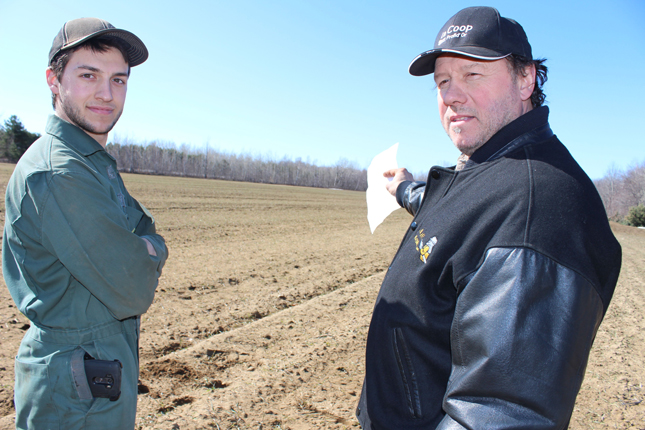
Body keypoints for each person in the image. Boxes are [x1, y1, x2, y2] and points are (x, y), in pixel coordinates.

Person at [357, 6, 621, 429]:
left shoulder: (541, 207)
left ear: (525, 78)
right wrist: (405, 188)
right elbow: (461, 223)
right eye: (442, 81)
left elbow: (499, 415)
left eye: (471, 75)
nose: (451, 94)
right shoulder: (492, 171)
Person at [2, 18, 168, 429]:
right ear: (54, 81)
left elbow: (140, 233)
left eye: (119, 80)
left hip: (94, 374)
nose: (106, 94)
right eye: (88, 75)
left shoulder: (89, 163)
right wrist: (152, 248)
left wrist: (144, 245)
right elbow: (132, 285)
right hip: (74, 394)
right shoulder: (60, 172)